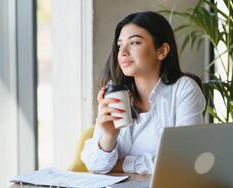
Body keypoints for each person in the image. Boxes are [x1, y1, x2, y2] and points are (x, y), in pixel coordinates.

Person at [81, 11, 206, 174]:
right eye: (120, 45)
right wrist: (108, 136)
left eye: (134, 43)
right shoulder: (115, 93)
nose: (123, 52)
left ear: (162, 51)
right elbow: (94, 166)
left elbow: (186, 160)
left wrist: (124, 164)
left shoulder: (184, 89)